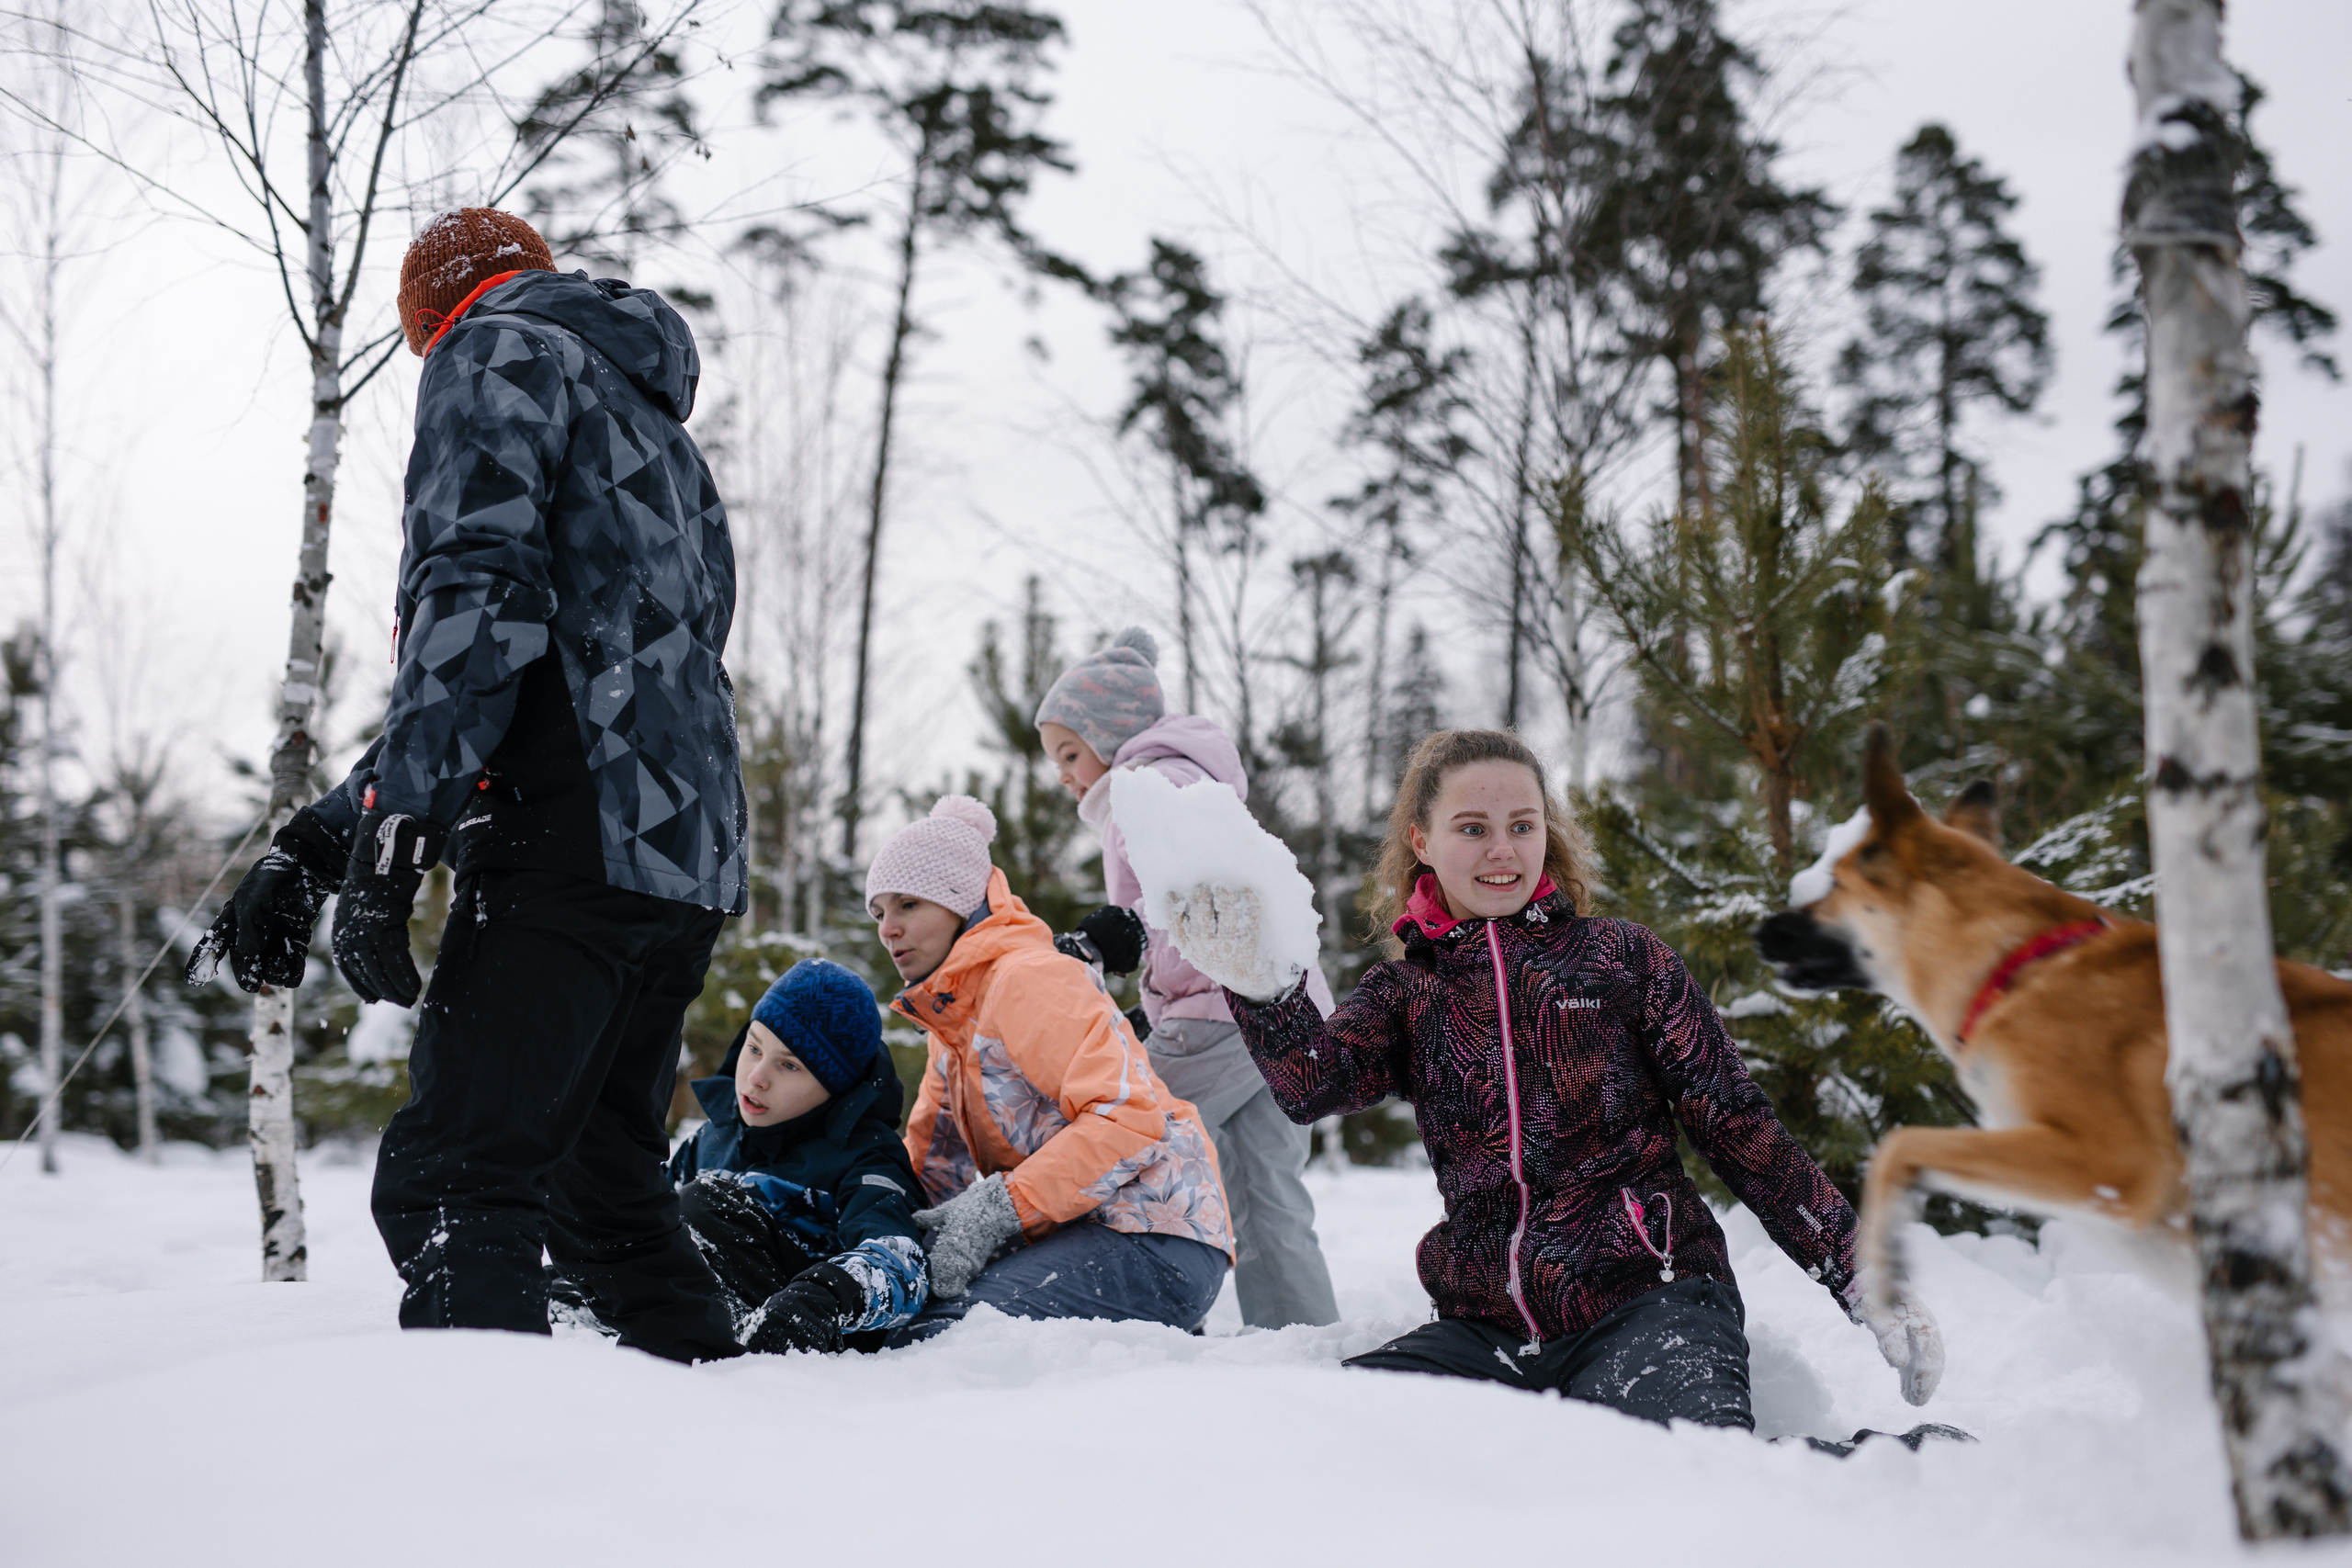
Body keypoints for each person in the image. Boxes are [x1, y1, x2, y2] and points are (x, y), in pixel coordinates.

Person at [187, 208, 747, 1363]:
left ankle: (474, 1490)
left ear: (430, 313)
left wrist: (395, 851)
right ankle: (720, 1472)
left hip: (566, 840)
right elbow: (566, 670)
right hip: (678, 864)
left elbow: (477, 611)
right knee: (609, 1199)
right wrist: (321, 840)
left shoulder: (488, 351)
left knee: (456, 1181)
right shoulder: (655, 432)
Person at [1162, 728, 1945, 1428]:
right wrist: (1263, 988)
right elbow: (1309, 1084)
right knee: (1337, 1445)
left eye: (1521, 826)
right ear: (1423, 841)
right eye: (1473, 829)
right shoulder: (1408, 993)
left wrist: (1856, 1268)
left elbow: (1736, 1123)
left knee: (1687, 1480)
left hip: (1649, 1301)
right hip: (1487, 1331)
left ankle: (1903, 1473)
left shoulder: (1622, 959)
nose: (1503, 850)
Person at [1035, 626, 1341, 1332]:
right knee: (1264, 1194)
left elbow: (1197, 894)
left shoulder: (1148, 786)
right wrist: (1155, 1000)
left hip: (1224, 1014)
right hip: (1282, 1010)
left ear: (1110, 737)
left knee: (1118, 1133)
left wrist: (1128, 929)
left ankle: (1113, 1308)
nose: (1063, 775)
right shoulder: (1191, 775)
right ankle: (1300, 1335)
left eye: (1070, 753)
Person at [867, 794, 1233, 1343]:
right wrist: (871, 1228)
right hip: (1075, 1235)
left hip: (1152, 1233)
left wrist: (1000, 1206)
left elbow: (1127, 1119)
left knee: (944, 1338)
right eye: (878, 912)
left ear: (961, 903)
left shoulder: (1029, 979)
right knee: (896, 1318)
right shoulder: (952, 1025)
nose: (888, 929)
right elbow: (934, 1168)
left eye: (908, 905)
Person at [639, 960, 928, 1353]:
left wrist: (824, 1297)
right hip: (695, 1319)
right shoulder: (714, 1136)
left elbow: (904, 1266)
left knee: (706, 1203)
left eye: (789, 1065)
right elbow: (646, 1223)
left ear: (835, 1087)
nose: (757, 1076)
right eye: (754, 1047)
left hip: (802, 1345)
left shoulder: (867, 1160)